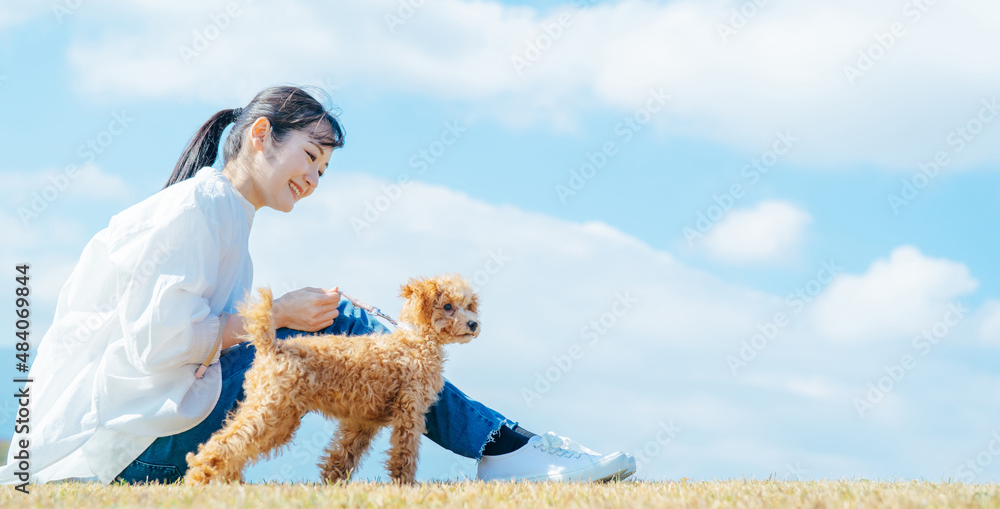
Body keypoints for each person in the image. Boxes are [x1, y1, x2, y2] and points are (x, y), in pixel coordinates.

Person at [0, 85, 635, 486]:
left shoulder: (224, 214)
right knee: (363, 335)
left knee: (355, 331)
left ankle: (505, 446)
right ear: (260, 136)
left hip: (143, 440)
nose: (313, 178)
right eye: (309, 156)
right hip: (127, 452)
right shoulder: (194, 210)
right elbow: (159, 346)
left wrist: (293, 315)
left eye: (324, 171)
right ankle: (507, 449)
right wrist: (279, 315)